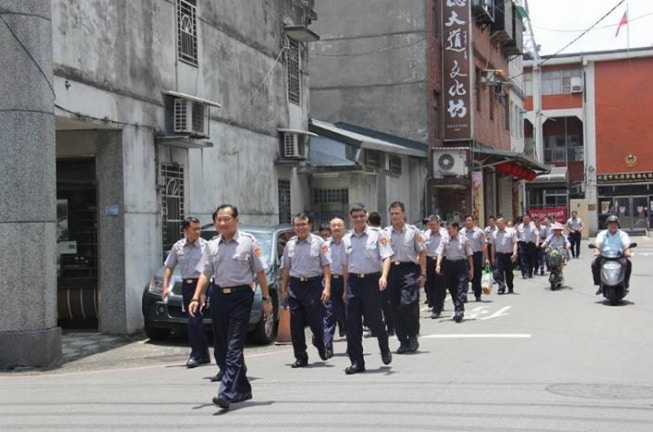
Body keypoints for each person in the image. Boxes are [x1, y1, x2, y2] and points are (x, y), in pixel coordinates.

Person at [189, 204, 272, 410]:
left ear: (237, 220)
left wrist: (266, 299)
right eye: (219, 219)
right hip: (219, 298)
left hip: (241, 297)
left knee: (234, 346)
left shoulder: (248, 243)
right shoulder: (212, 245)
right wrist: (196, 297)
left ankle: (226, 392)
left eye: (227, 219)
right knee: (221, 347)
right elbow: (205, 273)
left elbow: (260, 272)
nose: (222, 223)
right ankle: (243, 388)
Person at [341, 203, 393, 374]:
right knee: (352, 324)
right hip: (354, 283)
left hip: (372, 281)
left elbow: (386, 257)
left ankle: (384, 347)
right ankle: (357, 362)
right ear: (351, 217)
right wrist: (345, 289)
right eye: (355, 216)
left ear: (366, 216)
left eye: (361, 216)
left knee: (374, 321)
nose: (358, 219)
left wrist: (383, 276)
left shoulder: (377, 235)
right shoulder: (346, 239)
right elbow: (345, 266)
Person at [280, 213, 332, 368]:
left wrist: (327, 288)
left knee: (316, 321)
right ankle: (301, 356)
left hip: (314, 285)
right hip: (296, 286)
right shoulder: (290, 245)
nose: (300, 228)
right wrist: (283, 289)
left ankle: (319, 341)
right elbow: (286, 269)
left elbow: (326, 267)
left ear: (310, 226)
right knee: (296, 323)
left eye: (303, 225)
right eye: (297, 225)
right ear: (294, 227)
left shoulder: (319, 242)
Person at [162, 217, 210, 368]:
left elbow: (209, 270)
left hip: (201, 285)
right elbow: (169, 266)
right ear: (185, 230)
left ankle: (196, 354)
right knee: (195, 320)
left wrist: (203, 292)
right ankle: (203, 353)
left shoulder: (205, 246)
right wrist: (165, 286)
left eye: (199, 228)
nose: (198, 232)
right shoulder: (178, 247)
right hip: (187, 287)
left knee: (194, 321)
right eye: (194, 229)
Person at [385, 201, 426, 353]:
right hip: (391, 272)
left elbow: (422, 252)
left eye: (397, 213)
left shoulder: (413, 232)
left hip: (409, 270)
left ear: (403, 214)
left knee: (407, 304)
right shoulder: (385, 233)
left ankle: (413, 334)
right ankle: (403, 340)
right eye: (392, 213)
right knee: (394, 307)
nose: (395, 216)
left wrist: (423, 273)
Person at [435, 221, 473, 323]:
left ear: (456, 229)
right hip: (449, 265)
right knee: (452, 289)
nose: (448, 231)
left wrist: (471, 269)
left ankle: (459, 311)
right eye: (447, 229)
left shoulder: (464, 240)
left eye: (450, 229)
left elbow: (469, 255)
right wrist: (438, 265)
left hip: (461, 265)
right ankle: (458, 308)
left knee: (461, 288)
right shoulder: (445, 239)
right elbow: (440, 253)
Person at [366, 210, 393, 336]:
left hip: (380, 274)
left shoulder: (381, 234)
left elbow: (386, 256)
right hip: (374, 274)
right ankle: (381, 326)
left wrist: (383, 276)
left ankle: (385, 327)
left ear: (368, 222)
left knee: (382, 303)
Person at [592, 215, 633, 295]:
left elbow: (626, 244)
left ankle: (625, 283)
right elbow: (598, 243)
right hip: (605, 256)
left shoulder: (623, 234)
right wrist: (596, 251)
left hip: (619, 256)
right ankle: (600, 284)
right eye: (610, 223)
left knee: (628, 263)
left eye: (615, 223)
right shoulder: (602, 234)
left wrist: (628, 252)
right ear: (607, 225)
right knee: (594, 264)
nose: (613, 225)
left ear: (618, 225)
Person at [323, 217, 347, 357]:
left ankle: (352, 345)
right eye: (334, 226)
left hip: (348, 281)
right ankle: (328, 345)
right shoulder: (325, 245)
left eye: (339, 225)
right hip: (330, 282)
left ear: (344, 227)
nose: (337, 228)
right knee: (329, 314)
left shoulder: (350, 242)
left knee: (349, 314)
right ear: (330, 229)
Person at [423, 215, 447, 319]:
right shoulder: (426, 234)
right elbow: (422, 248)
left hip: (442, 260)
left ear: (438, 224)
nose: (432, 227)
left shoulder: (445, 233)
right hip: (429, 260)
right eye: (430, 225)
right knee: (429, 284)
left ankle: (437, 308)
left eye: (434, 224)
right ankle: (432, 300)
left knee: (440, 285)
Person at [460, 215, 488, 302]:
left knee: (477, 275)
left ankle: (477, 294)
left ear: (473, 221)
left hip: (476, 255)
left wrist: (486, 258)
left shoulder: (480, 232)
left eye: (469, 220)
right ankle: (464, 295)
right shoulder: (461, 232)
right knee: (464, 276)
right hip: (465, 256)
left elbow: (483, 246)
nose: (467, 222)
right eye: (466, 220)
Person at [489, 217, 519, 295]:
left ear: (503, 223)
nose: (498, 225)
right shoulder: (494, 233)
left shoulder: (511, 231)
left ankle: (510, 286)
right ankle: (501, 287)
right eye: (497, 224)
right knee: (499, 272)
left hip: (509, 255)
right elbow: (493, 246)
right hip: (499, 255)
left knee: (509, 272)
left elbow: (515, 243)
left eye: (499, 223)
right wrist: (492, 257)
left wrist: (514, 253)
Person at [516, 214, 540, 279]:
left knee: (530, 260)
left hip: (530, 244)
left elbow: (537, 234)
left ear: (529, 219)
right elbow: (516, 235)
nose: (526, 220)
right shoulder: (519, 227)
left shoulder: (533, 227)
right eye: (524, 219)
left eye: (527, 219)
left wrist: (537, 242)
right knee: (522, 259)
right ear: (523, 220)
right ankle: (524, 273)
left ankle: (530, 273)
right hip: (522, 244)